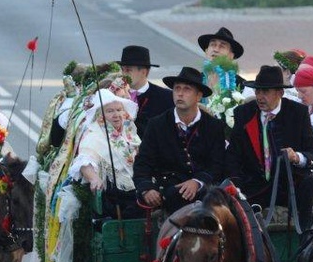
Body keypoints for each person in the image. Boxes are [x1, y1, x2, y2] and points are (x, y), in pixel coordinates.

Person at [225, 65, 313, 233]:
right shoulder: (244, 113)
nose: (260, 97)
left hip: (289, 186)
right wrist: (236, 185)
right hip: (254, 187)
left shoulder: (298, 113)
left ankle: (306, 240)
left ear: (280, 93)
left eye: (266, 92)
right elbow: (233, 155)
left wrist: (297, 157)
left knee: (311, 184)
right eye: (257, 92)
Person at [133, 67, 226, 214]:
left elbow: (218, 163)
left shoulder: (214, 126)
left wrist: (197, 182)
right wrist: (147, 188)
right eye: (177, 89)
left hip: (204, 192)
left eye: (187, 89)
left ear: (199, 96)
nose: (180, 94)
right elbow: (143, 162)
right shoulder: (157, 124)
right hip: (168, 191)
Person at [69, 89, 142, 218]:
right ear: (100, 115)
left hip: (137, 184)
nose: (116, 115)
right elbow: (85, 160)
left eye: (119, 110)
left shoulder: (129, 131)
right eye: (110, 111)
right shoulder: (95, 135)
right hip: (114, 194)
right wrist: (94, 178)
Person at [116, 45, 173, 137]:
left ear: (144, 72)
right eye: (122, 70)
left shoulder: (166, 97)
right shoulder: (114, 94)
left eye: (128, 70)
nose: (124, 74)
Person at [198, 27, 248, 91]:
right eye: (213, 44)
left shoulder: (243, 86)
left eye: (222, 46)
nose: (216, 50)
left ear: (231, 55)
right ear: (206, 51)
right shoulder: (195, 81)